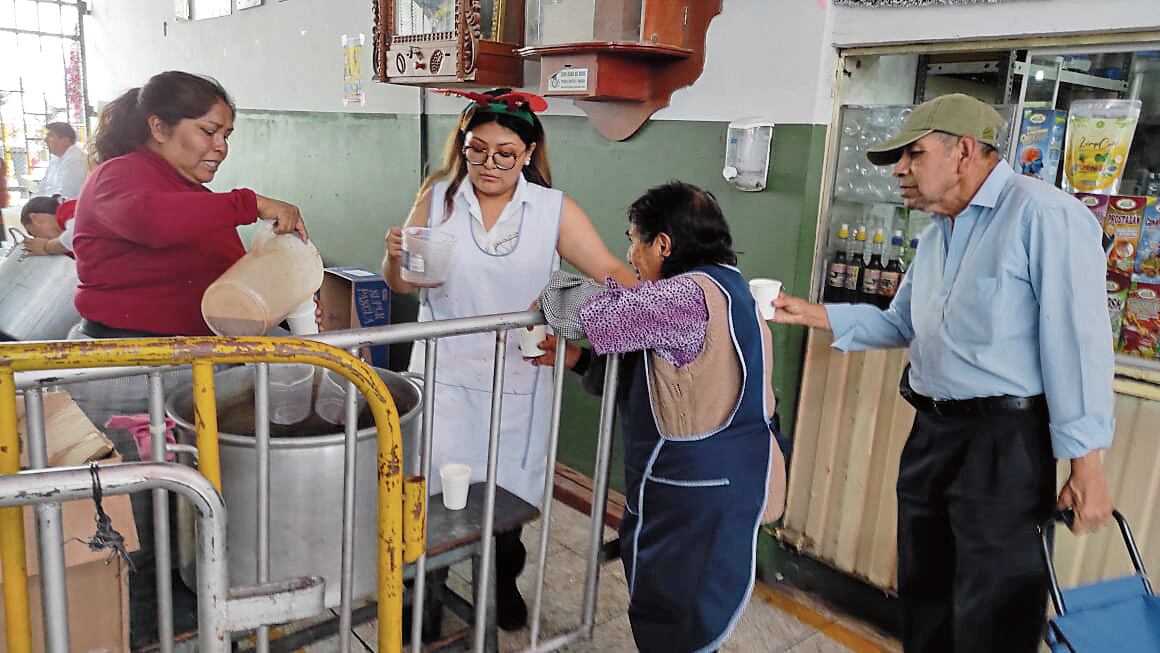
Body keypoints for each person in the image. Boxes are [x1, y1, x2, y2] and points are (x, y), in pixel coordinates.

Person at [772, 93, 1115, 653]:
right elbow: (904, 323)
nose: (901, 171)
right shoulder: (938, 233)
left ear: (963, 151)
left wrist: (1087, 463)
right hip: (933, 436)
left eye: (912, 154)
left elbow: (1077, 344)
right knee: (926, 594)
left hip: (1005, 445)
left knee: (995, 610)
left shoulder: (1044, 216)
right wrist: (807, 311)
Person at [381, 88, 636, 631]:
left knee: (506, 496)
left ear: (528, 153)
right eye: (477, 150)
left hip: (516, 376)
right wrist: (393, 254)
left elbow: (609, 268)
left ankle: (502, 582)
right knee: (428, 494)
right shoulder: (440, 194)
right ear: (463, 147)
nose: (488, 164)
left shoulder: (552, 209)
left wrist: (670, 304)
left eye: (504, 153)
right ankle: (422, 595)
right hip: (443, 372)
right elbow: (404, 280)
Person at [535, 181, 786, 653]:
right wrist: (578, 362)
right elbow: (669, 378)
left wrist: (550, 287)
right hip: (742, 477)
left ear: (663, 244)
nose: (629, 255)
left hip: (691, 491)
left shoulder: (682, 298)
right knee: (696, 601)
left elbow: (583, 315)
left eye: (634, 240)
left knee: (676, 610)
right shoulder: (730, 285)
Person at [73, 71, 307, 338]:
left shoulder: (198, 198)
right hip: (132, 362)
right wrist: (249, 203)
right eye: (209, 132)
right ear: (159, 128)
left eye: (226, 136)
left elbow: (227, 279)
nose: (221, 147)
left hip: (196, 354)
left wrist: (282, 308)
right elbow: (153, 222)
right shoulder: (116, 176)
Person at [36, 122, 88, 199]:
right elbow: (42, 189)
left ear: (65, 140)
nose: (45, 140)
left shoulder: (75, 160)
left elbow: (66, 196)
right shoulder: (55, 159)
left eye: (50, 136)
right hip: (48, 205)